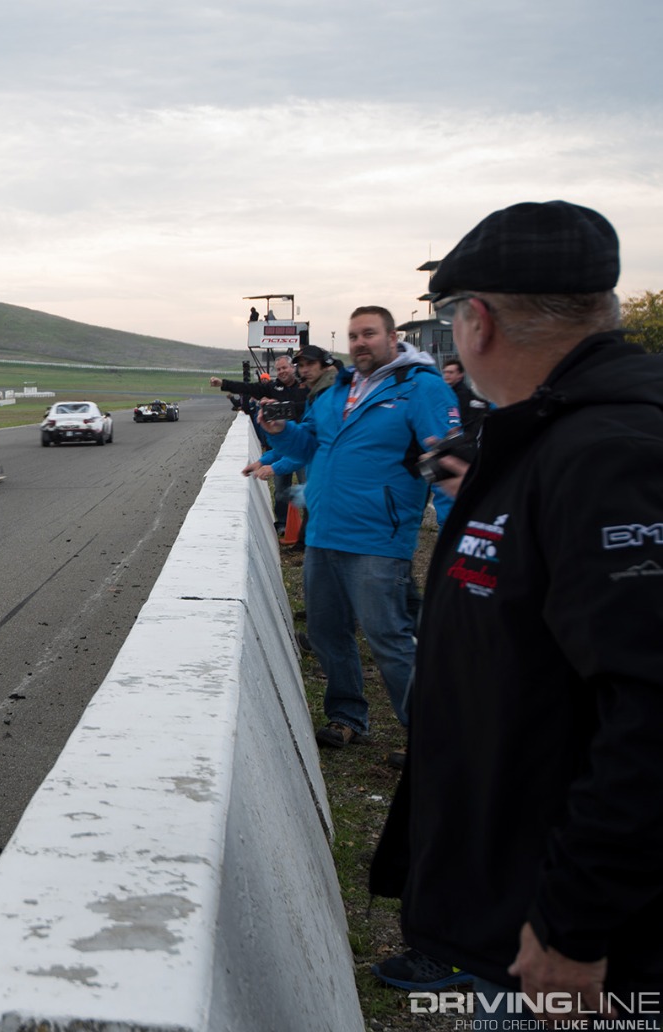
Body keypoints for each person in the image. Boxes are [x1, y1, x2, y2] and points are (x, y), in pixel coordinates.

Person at [370, 201, 663, 1014]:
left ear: (478, 324)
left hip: (586, 945)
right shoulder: (553, 434)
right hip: (530, 890)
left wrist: (576, 923)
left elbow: (650, 711)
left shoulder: (610, 452)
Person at [261, 308, 458, 748]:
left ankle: (433, 743)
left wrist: (453, 529)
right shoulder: (339, 390)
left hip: (379, 538)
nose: (359, 342)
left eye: (369, 333)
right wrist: (279, 429)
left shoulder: (421, 388)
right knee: (328, 634)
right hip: (324, 534)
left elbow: (448, 462)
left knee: (388, 639)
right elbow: (308, 442)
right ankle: (348, 717)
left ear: (392, 336)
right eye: (353, 336)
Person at [241, 345, 337, 540]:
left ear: (326, 366)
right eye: (301, 365)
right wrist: (263, 460)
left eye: (310, 364)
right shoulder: (316, 398)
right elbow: (301, 440)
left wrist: (274, 467)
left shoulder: (333, 400)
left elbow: (311, 448)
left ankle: (302, 537)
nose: (305, 370)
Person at [214, 356, 310, 532]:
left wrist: (271, 467)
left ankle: (306, 529)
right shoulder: (274, 388)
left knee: (308, 488)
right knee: (281, 491)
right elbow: (248, 387)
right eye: (278, 369)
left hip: (300, 443)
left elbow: (306, 448)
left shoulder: (309, 392)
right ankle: (283, 524)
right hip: (282, 442)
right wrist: (224, 383)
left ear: (293, 368)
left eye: (284, 368)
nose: (281, 371)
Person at [440, 357, 489, 437]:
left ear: (460, 375)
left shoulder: (462, 395)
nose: (446, 375)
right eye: (445, 372)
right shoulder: (451, 392)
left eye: (451, 372)